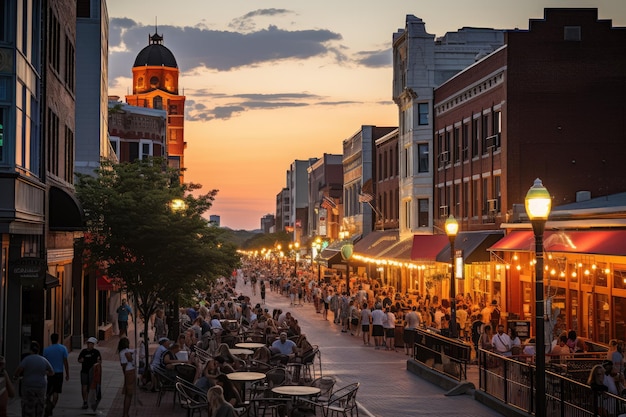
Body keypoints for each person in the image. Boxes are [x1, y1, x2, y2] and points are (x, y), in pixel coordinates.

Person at [14, 341, 54, 417]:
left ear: (30, 350)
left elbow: (19, 370)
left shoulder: (26, 359)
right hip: (41, 385)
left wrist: (16, 376)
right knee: (40, 404)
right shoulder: (43, 360)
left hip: (28, 385)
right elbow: (52, 372)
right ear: (38, 350)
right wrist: (44, 373)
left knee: (27, 404)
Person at [42, 333, 69, 416]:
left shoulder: (46, 350)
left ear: (51, 339)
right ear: (58, 339)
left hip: (49, 373)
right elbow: (65, 362)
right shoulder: (63, 348)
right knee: (56, 392)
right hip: (59, 373)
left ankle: (48, 406)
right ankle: (51, 407)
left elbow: (44, 362)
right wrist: (67, 373)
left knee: (48, 392)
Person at [78, 337, 102, 409]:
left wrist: (98, 362)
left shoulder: (96, 352)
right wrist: (81, 360)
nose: (90, 345)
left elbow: (100, 362)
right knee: (84, 386)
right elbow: (79, 360)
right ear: (87, 344)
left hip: (93, 372)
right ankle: (85, 401)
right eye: (89, 344)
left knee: (92, 387)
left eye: (92, 344)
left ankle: (92, 400)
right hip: (84, 371)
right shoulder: (83, 352)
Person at [117, 337, 135, 417]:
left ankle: (125, 413)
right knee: (129, 394)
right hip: (130, 372)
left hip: (127, 372)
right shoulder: (126, 352)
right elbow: (129, 359)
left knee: (128, 393)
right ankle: (125, 413)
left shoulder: (121, 352)